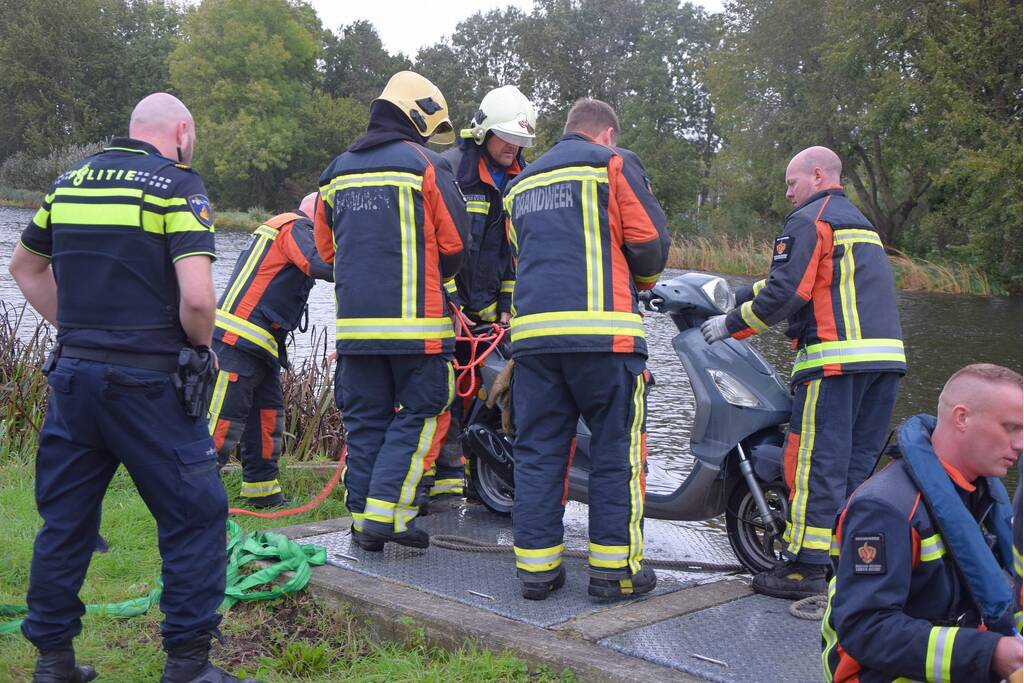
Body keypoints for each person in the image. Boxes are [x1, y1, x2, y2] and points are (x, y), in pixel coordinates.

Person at [8, 93, 258, 682]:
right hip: (148, 382)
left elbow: (24, 267)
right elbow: (198, 297)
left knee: (66, 521)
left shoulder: (69, 182)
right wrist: (201, 350)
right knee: (196, 515)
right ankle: (189, 666)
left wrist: (75, 328)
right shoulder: (175, 186)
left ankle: (53, 662)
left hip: (72, 377)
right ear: (181, 131)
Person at [701, 146, 906, 599]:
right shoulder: (859, 223)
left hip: (833, 362)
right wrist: (734, 295)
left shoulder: (808, 219)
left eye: (792, 183)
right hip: (885, 364)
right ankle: (837, 557)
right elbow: (804, 282)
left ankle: (802, 569)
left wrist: (728, 325)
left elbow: (785, 293)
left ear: (817, 175)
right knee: (854, 468)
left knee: (816, 465)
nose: (788, 193)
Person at [503, 98, 670, 600]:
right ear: (608, 136)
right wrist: (640, 281)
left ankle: (536, 571)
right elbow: (649, 246)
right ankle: (613, 575)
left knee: (537, 453)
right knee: (616, 455)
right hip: (606, 339)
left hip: (534, 344)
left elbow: (522, 256)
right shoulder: (612, 165)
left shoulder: (519, 184)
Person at [314, 71, 470, 550]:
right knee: (423, 412)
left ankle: (368, 524)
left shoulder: (334, 171)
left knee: (366, 423)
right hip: (418, 329)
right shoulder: (426, 165)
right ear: (417, 115)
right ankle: (386, 512)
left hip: (355, 332)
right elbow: (455, 244)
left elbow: (325, 251)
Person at [821, 364, 1022, 682]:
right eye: (1010, 428)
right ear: (962, 418)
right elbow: (866, 630)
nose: (1020, 444)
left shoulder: (979, 495)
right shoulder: (885, 509)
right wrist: (988, 652)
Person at [423, 85, 537, 503]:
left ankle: (477, 480)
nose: (515, 147)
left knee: (494, 394)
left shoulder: (521, 182)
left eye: (522, 141)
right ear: (484, 132)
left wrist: (507, 311)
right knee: (444, 393)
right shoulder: (451, 170)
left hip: (490, 318)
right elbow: (438, 246)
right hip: (448, 308)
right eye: (509, 138)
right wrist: (450, 303)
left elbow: (512, 257)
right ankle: (444, 479)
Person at [206, 192, 333, 507]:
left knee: (267, 418)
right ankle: (191, 495)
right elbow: (318, 263)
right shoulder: (295, 226)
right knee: (221, 424)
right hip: (237, 342)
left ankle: (263, 493)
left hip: (258, 346)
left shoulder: (283, 227)